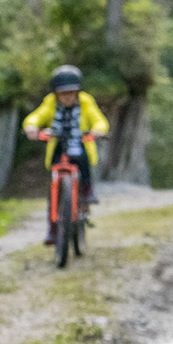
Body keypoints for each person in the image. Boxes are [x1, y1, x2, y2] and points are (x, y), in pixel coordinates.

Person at [22, 64, 109, 244]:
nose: (67, 97)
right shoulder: (50, 103)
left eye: (71, 93)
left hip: (80, 143)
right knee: (54, 185)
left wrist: (98, 130)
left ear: (77, 92)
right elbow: (37, 116)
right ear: (56, 93)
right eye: (63, 93)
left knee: (83, 162)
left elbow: (98, 119)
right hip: (59, 145)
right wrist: (31, 127)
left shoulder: (86, 101)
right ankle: (53, 229)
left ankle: (87, 190)